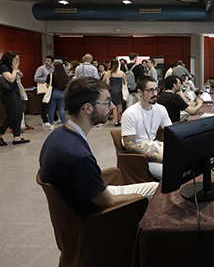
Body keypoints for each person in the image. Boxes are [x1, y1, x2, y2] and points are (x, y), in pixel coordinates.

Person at [39, 77, 158, 216]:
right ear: (88, 108)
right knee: (158, 193)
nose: (112, 106)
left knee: (156, 187)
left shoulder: (59, 135)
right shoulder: (78, 156)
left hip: (88, 195)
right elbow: (108, 202)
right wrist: (140, 198)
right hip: (97, 215)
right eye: (107, 102)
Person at [121, 76, 172, 180]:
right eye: (150, 90)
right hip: (140, 157)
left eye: (156, 89)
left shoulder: (161, 109)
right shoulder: (130, 113)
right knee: (171, 174)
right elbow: (129, 145)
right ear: (140, 92)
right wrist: (158, 158)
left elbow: (171, 132)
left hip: (155, 148)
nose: (155, 94)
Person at [0, 51, 30, 146]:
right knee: (12, 116)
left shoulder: (11, 68)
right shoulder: (3, 67)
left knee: (18, 115)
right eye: (16, 59)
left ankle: (17, 137)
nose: (18, 61)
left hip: (15, 93)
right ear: (10, 60)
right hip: (8, 94)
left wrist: (16, 71)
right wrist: (15, 70)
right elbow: (11, 79)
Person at [46, 62, 69, 131]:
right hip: (62, 93)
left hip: (53, 92)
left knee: (52, 109)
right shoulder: (65, 76)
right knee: (61, 109)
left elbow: (48, 84)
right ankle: (63, 123)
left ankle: (52, 125)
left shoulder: (51, 75)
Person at [103, 59, 126, 126]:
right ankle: (120, 120)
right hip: (120, 91)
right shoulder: (121, 73)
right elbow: (125, 82)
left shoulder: (109, 73)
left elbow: (107, 83)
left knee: (114, 107)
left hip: (112, 91)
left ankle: (116, 121)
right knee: (120, 107)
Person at [34, 55, 54, 126]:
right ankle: (45, 120)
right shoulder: (41, 69)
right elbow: (36, 78)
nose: (46, 62)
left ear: (52, 62)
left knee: (52, 104)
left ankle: (54, 118)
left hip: (51, 89)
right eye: (45, 60)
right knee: (44, 105)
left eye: (48, 61)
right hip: (44, 89)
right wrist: (47, 79)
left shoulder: (52, 69)